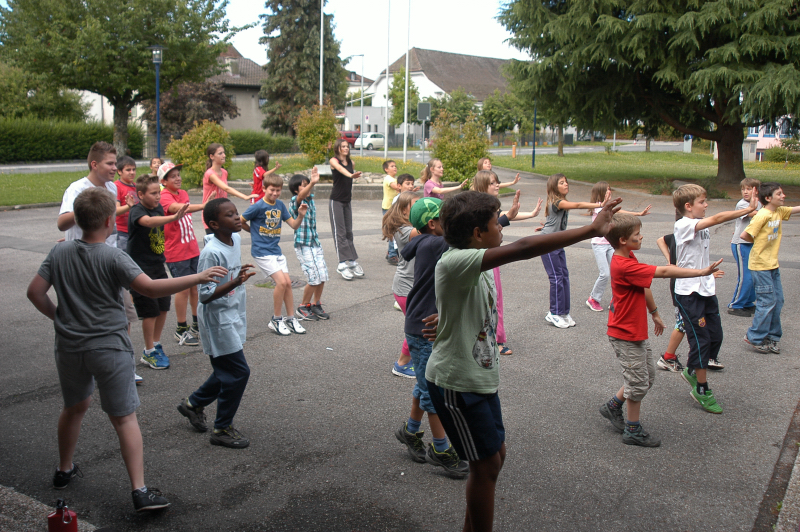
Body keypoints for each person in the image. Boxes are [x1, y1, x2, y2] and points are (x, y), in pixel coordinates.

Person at [425, 191, 621, 532]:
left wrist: (448, 317)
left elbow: (462, 296)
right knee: (485, 466)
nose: (501, 227)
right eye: (496, 222)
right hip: (456, 382)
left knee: (496, 456)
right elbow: (525, 248)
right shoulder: (456, 261)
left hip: (480, 378)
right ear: (477, 233)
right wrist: (591, 230)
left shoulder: (475, 256)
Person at [27, 187, 226, 511]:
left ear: (78, 219)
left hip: (70, 346)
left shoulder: (58, 251)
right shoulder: (112, 256)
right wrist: (197, 277)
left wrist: (60, 318)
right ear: (110, 220)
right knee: (124, 418)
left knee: (73, 408)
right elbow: (150, 287)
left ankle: (63, 469)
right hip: (109, 347)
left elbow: (35, 292)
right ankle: (140, 491)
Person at [598, 214, 721, 447]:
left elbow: (643, 285)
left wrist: (654, 312)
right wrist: (700, 272)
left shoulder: (629, 257)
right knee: (638, 382)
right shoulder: (623, 264)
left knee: (645, 377)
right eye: (637, 234)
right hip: (625, 334)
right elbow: (663, 272)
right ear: (623, 240)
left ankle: (613, 406)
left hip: (635, 331)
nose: (641, 236)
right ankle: (633, 430)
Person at [394, 197, 469, 478]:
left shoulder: (427, 241)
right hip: (424, 329)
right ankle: (441, 449)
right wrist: (498, 220)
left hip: (423, 325)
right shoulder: (435, 244)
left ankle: (410, 431)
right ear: (433, 224)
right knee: (434, 392)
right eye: (447, 218)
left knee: (424, 384)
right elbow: (469, 240)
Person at [60, 142, 142, 384]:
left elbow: (108, 217)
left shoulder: (111, 188)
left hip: (110, 259)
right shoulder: (77, 189)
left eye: (115, 163)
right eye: (110, 163)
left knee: (123, 313)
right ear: (94, 164)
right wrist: (87, 212)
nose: (115, 168)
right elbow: (62, 223)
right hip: (84, 264)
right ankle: (90, 367)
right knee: (90, 318)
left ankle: (123, 364)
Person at [177, 198, 256, 449]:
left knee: (226, 370)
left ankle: (193, 404)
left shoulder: (236, 239)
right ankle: (221, 428)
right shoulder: (211, 253)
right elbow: (204, 295)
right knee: (238, 372)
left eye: (236, 213)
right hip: (218, 319)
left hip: (233, 312)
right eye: (229, 215)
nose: (236, 217)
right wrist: (234, 282)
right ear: (214, 224)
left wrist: (235, 278)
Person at [672, 184, 756, 413]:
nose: (706, 205)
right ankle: (701, 388)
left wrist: (708, 272)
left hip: (706, 289)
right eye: (702, 202)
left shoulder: (697, 223)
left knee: (715, 336)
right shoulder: (683, 224)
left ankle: (692, 370)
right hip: (688, 292)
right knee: (701, 340)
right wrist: (746, 210)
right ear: (688, 206)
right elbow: (718, 218)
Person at [471, 170, 542, 355]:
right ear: (482, 186)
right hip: (483, 257)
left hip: (491, 256)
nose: (497, 185)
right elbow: (491, 227)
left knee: (495, 298)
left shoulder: (490, 206)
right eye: (492, 183)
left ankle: (496, 337)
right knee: (488, 298)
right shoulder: (478, 208)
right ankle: (494, 340)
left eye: (497, 182)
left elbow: (505, 216)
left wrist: (531, 213)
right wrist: (508, 216)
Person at [128, 174, 190, 370]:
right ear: (140, 195)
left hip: (157, 265)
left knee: (163, 305)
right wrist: (173, 217)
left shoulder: (157, 208)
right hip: (140, 269)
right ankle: (148, 351)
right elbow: (147, 222)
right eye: (153, 193)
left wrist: (204, 205)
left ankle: (155, 343)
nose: (157, 197)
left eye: (158, 193)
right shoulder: (137, 211)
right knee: (150, 310)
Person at [240, 172, 308, 336]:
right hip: (262, 252)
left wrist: (300, 215)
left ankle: (290, 318)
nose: (275, 193)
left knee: (288, 283)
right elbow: (240, 220)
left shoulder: (280, 205)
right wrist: (253, 232)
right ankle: (276, 319)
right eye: (272, 190)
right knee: (281, 283)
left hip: (275, 251)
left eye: (278, 190)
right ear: (264, 188)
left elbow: (294, 225)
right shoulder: (258, 206)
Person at [540, 173, 606, 328]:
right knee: (556, 278)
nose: (566, 184)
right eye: (562, 183)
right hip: (548, 244)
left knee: (564, 277)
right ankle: (554, 313)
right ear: (554, 187)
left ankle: (564, 312)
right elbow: (578, 205)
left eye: (566, 182)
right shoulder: (557, 202)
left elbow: (552, 221)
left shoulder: (560, 202)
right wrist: (598, 204)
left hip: (558, 243)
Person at [742, 182, 800, 353]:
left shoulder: (778, 211)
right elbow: (745, 235)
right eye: (779, 194)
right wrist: (759, 244)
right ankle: (754, 337)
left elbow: (795, 209)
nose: (783, 196)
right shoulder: (762, 215)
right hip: (760, 266)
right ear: (768, 198)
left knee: (778, 301)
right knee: (766, 302)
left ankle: (772, 336)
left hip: (772, 265)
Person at [158, 162, 209, 347]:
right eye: (173, 176)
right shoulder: (164, 196)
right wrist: (203, 205)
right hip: (176, 251)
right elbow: (177, 209)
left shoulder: (184, 193)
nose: (178, 178)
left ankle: (196, 324)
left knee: (196, 287)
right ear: (164, 181)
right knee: (183, 289)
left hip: (191, 248)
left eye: (178, 175)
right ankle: (181, 328)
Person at [584, 181, 651, 312]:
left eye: (610, 189)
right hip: (599, 245)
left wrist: (638, 214)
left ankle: (615, 300)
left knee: (617, 273)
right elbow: (612, 212)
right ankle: (593, 299)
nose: (610, 191)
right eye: (607, 189)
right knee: (605, 273)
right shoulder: (598, 208)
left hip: (610, 244)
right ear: (601, 192)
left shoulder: (606, 207)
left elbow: (619, 213)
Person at [382, 191, 423, 378]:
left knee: (419, 326)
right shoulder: (405, 231)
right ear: (405, 210)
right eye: (416, 204)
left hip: (413, 287)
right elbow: (430, 229)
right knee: (416, 327)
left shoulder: (411, 226)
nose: (420, 208)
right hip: (406, 288)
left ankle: (413, 358)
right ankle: (401, 364)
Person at [288, 169, 331, 322]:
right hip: (303, 245)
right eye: (304, 185)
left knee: (322, 275)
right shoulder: (295, 201)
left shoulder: (311, 200)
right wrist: (312, 182)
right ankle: (303, 306)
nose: (308, 187)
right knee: (313, 278)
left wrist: (311, 183)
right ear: (296, 189)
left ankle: (315, 304)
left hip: (314, 243)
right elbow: (300, 197)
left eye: (308, 184)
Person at [328, 139, 364, 280]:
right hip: (336, 201)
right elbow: (340, 169)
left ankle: (352, 262)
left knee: (349, 232)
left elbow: (348, 170)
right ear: (338, 148)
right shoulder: (334, 161)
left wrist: (352, 174)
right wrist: (350, 175)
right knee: (340, 233)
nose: (346, 148)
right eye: (343, 146)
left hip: (347, 201)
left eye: (347, 146)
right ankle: (342, 264)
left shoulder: (351, 163)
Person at [202, 143, 257, 233]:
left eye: (224, 153)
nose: (224, 155)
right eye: (220, 153)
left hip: (222, 212)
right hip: (212, 213)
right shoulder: (210, 174)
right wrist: (245, 197)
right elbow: (226, 188)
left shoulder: (224, 172)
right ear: (212, 156)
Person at [728, 177, 762, 316]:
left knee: (754, 276)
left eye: (749, 189)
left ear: (756, 191)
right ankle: (735, 305)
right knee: (746, 277)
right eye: (743, 189)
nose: (745, 192)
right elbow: (754, 214)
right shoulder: (742, 204)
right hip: (741, 244)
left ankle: (747, 302)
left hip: (753, 243)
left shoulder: (760, 203)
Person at [114, 155, 138, 252]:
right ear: (119, 171)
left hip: (135, 230)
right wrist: (128, 206)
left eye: (134, 169)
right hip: (121, 232)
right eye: (128, 170)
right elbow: (115, 210)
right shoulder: (116, 186)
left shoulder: (137, 187)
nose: (132, 172)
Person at [382, 159, 401, 265]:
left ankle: (390, 252)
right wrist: (407, 187)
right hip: (389, 208)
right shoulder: (388, 178)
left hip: (393, 208)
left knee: (393, 231)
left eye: (395, 166)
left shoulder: (394, 179)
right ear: (386, 169)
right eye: (392, 166)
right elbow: (396, 187)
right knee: (392, 232)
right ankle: (392, 255)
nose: (395, 167)